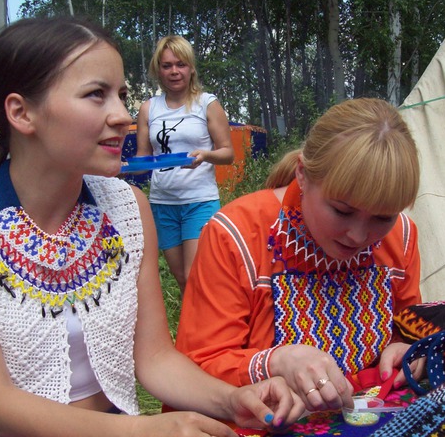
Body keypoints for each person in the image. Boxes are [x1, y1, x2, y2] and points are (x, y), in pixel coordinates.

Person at [0, 17, 302, 437]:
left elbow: (154, 359)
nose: (120, 116)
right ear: (21, 112)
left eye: (122, 93)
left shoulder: (129, 208)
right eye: (96, 95)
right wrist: (139, 436)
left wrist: (233, 399)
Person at [176, 98, 424, 413]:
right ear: (303, 175)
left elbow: (410, 325)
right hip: (264, 435)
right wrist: (276, 361)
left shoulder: (400, 237)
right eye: (341, 211)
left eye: (382, 217)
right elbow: (196, 367)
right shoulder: (237, 234)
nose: (359, 236)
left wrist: (406, 349)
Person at [136, 35, 234, 293]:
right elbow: (143, 158)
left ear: (191, 68)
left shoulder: (207, 103)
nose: (174, 71)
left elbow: (227, 153)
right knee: (181, 278)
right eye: (167, 65)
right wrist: (118, 164)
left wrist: (205, 155)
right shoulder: (149, 108)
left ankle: (204, 332)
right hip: (162, 203)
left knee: (195, 276)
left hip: (199, 201)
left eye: (180, 64)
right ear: (158, 70)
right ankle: (190, 329)